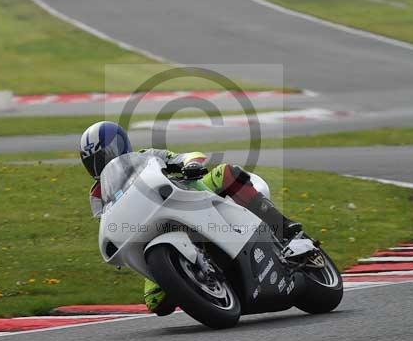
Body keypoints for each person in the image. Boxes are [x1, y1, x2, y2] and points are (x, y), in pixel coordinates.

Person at [79, 121, 305, 316]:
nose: (101, 163)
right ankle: (194, 281)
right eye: (94, 160)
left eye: (106, 153)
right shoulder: (97, 195)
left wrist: (191, 165)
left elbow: (187, 156)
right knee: (155, 302)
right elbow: (107, 221)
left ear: (122, 144)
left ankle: (284, 229)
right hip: (148, 228)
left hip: (187, 194)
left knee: (227, 172)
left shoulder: (146, 156)